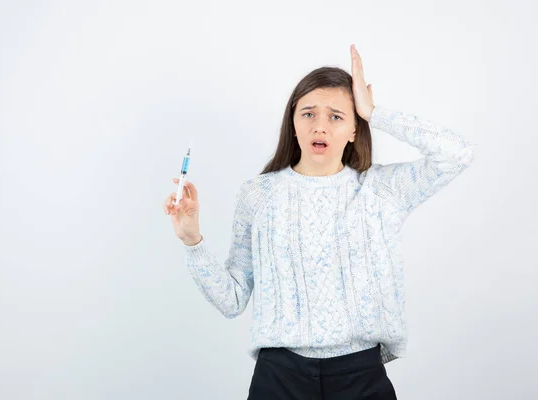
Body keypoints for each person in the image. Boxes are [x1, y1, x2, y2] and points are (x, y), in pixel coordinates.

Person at [162, 44, 474, 399]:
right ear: (293, 124)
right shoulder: (259, 195)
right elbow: (231, 300)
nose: (319, 126)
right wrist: (193, 241)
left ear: (356, 129)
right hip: (279, 377)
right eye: (308, 114)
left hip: (361, 376)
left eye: (336, 116)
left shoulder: (382, 191)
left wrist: (374, 111)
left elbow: (458, 153)